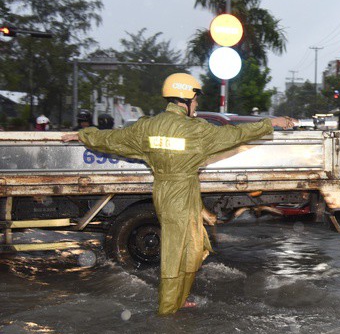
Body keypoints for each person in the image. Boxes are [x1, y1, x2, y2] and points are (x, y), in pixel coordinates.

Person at [62, 72, 296, 315]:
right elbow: (237, 135)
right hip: (179, 195)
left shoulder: (147, 127)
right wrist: (271, 123)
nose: (196, 105)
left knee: (193, 249)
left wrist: (83, 134)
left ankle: (178, 299)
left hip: (170, 192)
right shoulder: (195, 130)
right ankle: (167, 311)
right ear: (186, 98)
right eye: (195, 100)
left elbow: (110, 139)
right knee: (176, 253)